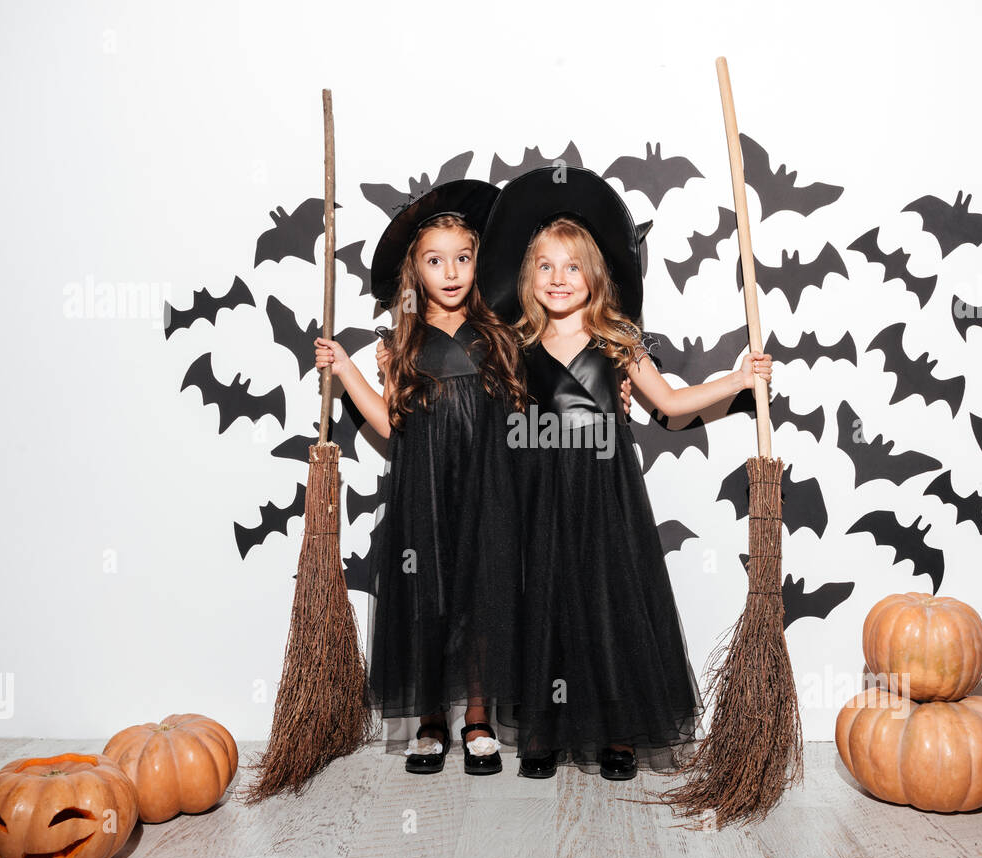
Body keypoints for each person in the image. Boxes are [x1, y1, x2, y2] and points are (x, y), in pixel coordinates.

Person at [477, 168, 772, 780]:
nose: (559, 280)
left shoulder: (618, 340)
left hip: (604, 494)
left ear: (595, 276)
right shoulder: (515, 343)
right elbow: (497, 420)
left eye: (573, 267)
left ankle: (617, 731)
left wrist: (740, 381)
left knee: (608, 605)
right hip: (538, 493)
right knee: (545, 603)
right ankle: (543, 727)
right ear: (529, 277)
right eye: (546, 267)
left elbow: (670, 402)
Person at [314, 180, 527, 775]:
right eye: (436, 260)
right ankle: (432, 719)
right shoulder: (401, 345)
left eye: (463, 258)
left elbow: (522, 419)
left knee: (482, 602)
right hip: (424, 493)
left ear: (478, 262)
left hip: (488, 492)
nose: (451, 271)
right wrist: (348, 370)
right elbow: (389, 423)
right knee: (429, 602)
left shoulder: (500, 336)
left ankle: (477, 718)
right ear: (417, 270)